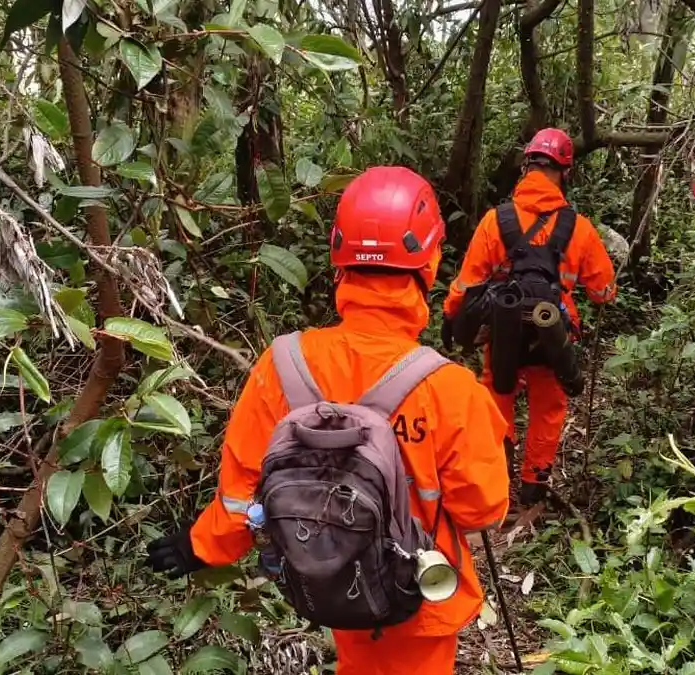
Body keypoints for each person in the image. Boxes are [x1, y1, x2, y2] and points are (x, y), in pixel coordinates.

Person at [146, 166, 511, 675]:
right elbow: (483, 511)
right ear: (428, 264)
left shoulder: (284, 364)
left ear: (338, 257)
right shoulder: (451, 388)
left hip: (329, 575)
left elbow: (240, 495)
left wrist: (199, 545)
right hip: (417, 601)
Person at [441, 128, 617, 506]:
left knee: (497, 392)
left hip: (504, 327)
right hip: (552, 330)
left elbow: (468, 281)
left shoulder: (495, 220)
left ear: (526, 167)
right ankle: (533, 485)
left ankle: (498, 473)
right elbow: (604, 293)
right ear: (564, 172)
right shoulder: (579, 228)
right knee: (549, 406)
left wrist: (449, 313)